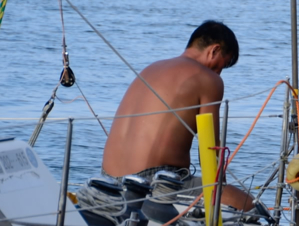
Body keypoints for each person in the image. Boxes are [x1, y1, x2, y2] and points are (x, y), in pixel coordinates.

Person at [102, 20, 254, 210]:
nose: (219, 73)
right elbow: (210, 151)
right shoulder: (208, 79)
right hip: (155, 182)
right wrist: (219, 187)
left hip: (108, 180)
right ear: (214, 50)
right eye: (220, 66)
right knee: (250, 206)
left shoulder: (151, 68)